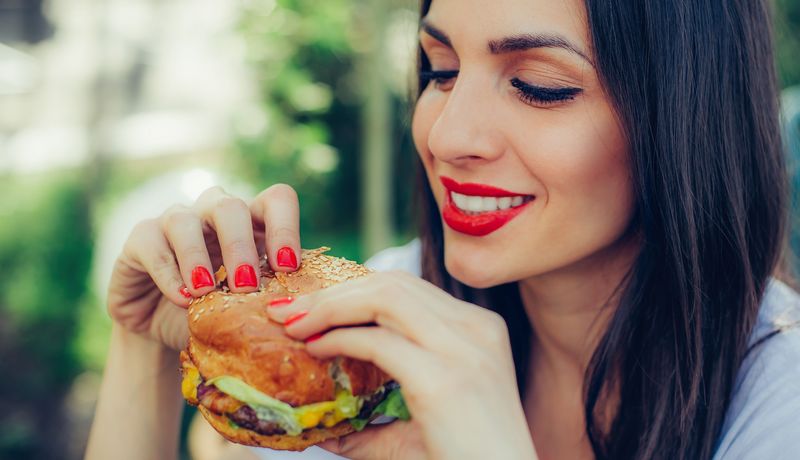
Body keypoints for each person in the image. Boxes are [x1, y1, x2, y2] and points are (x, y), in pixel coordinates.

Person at [85, 0, 800, 459]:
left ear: (687, 119)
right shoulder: (382, 316)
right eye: (442, 69)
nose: (449, 133)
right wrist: (144, 344)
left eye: (540, 85)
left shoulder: (782, 404)